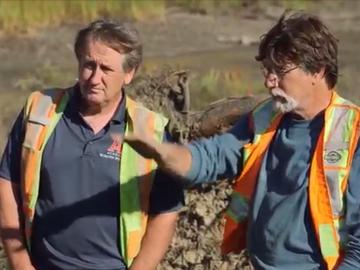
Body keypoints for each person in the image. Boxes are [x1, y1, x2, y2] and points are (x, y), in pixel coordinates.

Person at [125, 11, 360, 270]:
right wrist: (161, 151)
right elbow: (209, 158)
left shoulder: (353, 133)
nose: (269, 80)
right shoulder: (265, 119)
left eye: (279, 70)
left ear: (317, 71)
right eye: (267, 69)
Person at [0, 19, 183, 270]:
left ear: (129, 73)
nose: (94, 78)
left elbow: (166, 212)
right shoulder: (40, 111)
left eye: (106, 69)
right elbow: (8, 182)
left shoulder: (150, 131)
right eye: (88, 65)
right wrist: (20, 263)